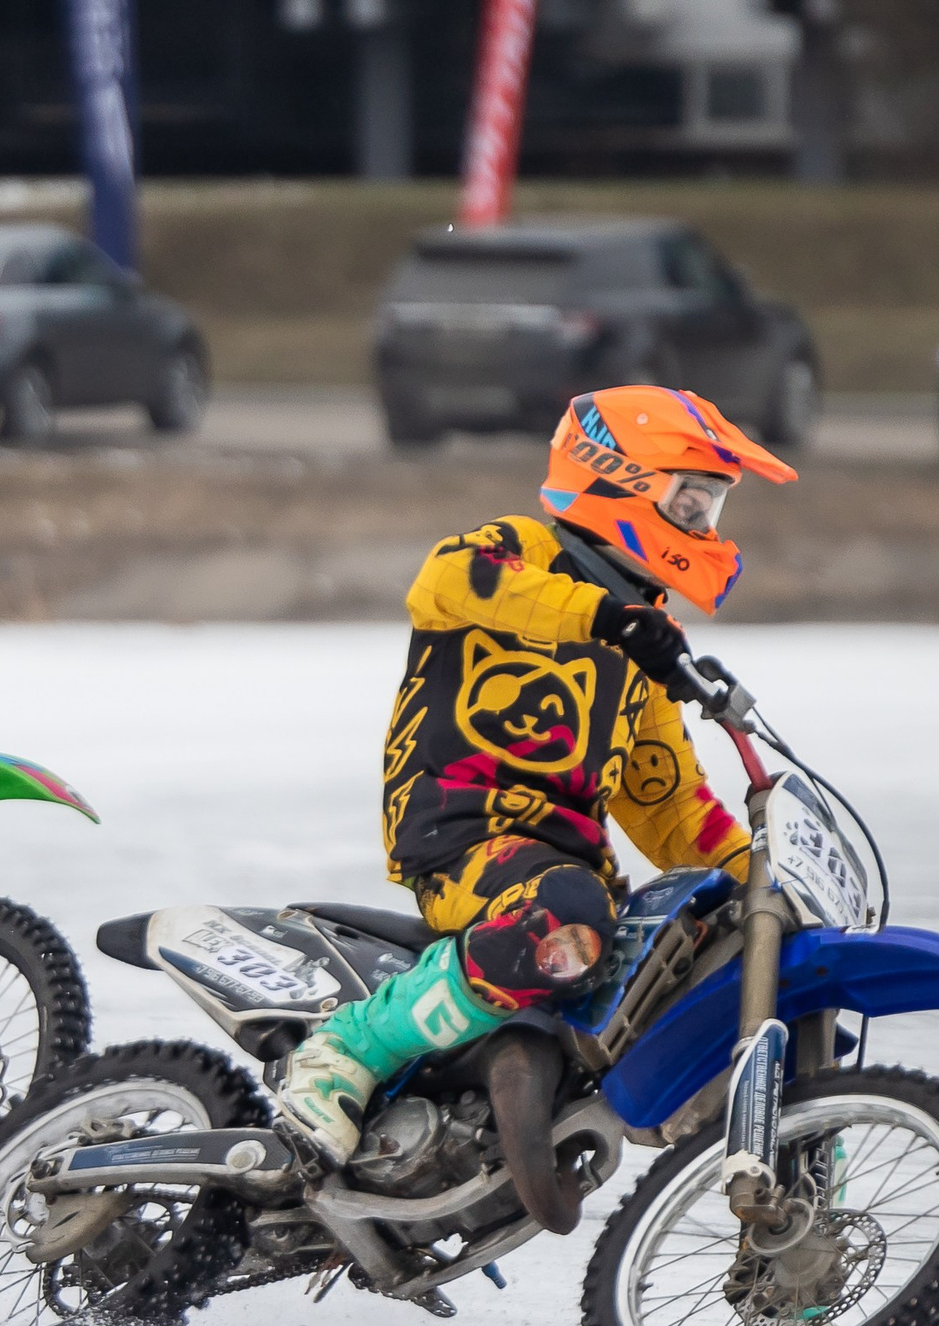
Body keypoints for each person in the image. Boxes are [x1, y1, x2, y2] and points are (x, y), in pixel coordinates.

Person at [276, 385, 796, 1167]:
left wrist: (766, 879)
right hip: (464, 836)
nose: (702, 524)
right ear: (619, 479)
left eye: (712, 506)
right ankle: (343, 1052)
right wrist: (607, 618)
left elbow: (667, 803)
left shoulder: (645, 643)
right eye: (690, 499)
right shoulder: (516, 551)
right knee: (566, 908)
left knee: (718, 933)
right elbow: (444, 582)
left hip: (567, 863)